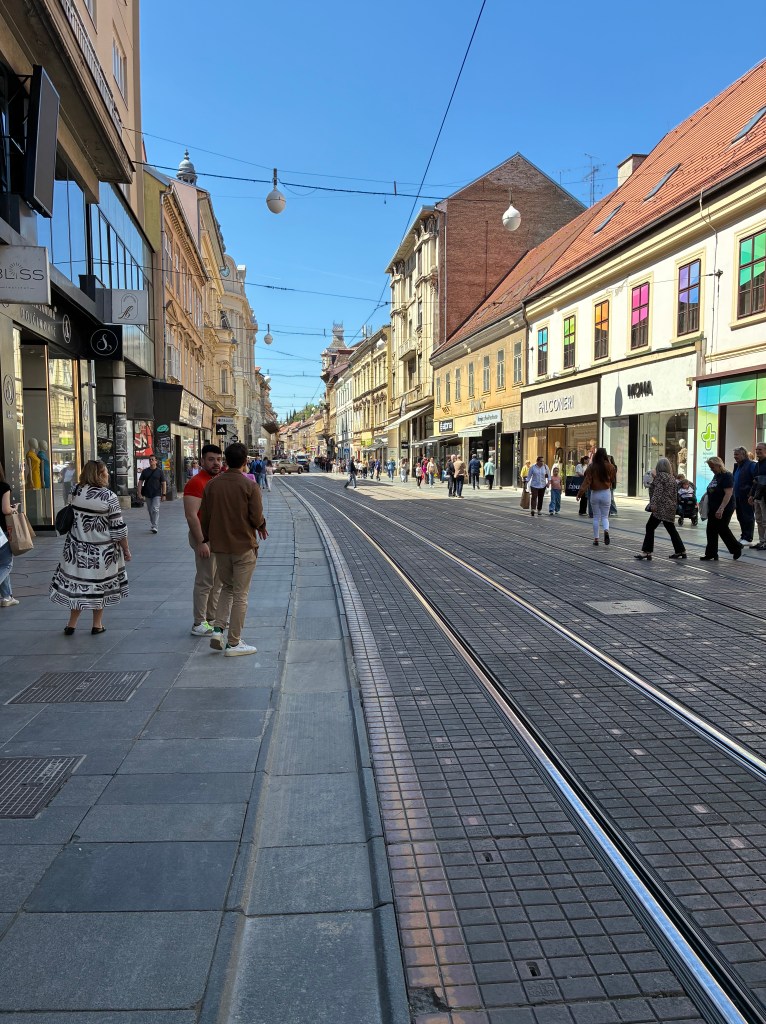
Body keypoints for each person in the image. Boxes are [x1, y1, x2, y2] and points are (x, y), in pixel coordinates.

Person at [200, 442, 268, 656]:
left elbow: (205, 516)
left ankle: (218, 630)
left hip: (220, 548)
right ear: (245, 461)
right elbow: (256, 517)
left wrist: (208, 538)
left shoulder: (212, 485)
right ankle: (234, 642)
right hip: (243, 546)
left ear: (226, 461)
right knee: (240, 595)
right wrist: (261, 526)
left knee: (226, 588)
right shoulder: (250, 486)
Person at [50, 460, 131, 633]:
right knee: (99, 587)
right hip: (101, 552)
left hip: (76, 549)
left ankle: (71, 624)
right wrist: (126, 549)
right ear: (99, 475)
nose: (107, 474)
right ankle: (97, 625)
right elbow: (118, 529)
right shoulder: (109, 497)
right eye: (105, 471)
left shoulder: (76, 490)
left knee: (78, 587)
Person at [183, 443, 224, 636]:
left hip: (218, 538)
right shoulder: (196, 482)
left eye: (219, 459)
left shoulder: (217, 480)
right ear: (202, 461)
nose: (216, 463)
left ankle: (211, 618)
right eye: (211, 459)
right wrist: (201, 542)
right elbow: (191, 515)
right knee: (205, 581)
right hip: (204, 537)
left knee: (217, 582)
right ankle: (199, 622)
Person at [634, 458, 687, 561]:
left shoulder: (660, 477)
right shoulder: (672, 478)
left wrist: (653, 504)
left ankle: (647, 552)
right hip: (670, 507)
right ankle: (681, 550)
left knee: (650, 526)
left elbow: (658, 491)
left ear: (658, 467)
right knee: (671, 529)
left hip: (661, 508)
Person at [700, 456, 741, 561]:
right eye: (710, 467)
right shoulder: (716, 476)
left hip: (725, 507)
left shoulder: (727, 476)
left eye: (712, 467)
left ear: (719, 465)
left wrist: (721, 508)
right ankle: (711, 553)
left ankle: (736, 547)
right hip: (713, 507)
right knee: (711, 530)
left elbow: (728, 493)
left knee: (722, 528)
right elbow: (712, 489)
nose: (711, 469)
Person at [577, 448, 615, 545]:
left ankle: (596, 539)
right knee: (605, 517)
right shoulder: (610, 466)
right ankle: (606, 530)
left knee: (596, 517)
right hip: (606, 493)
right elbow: (612, 479)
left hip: (595, 493)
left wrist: (580, 493)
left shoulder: (592, 466)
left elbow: (586, 480)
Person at [0, 462, 19, 608]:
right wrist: (14, 509)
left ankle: (7, 597)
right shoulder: (3, 487)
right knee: (6, 564)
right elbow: (5, 510)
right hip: (1, 531)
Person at [732, 446, 757, 545]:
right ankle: (744, 535)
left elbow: (755, 480)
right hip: (737, 496)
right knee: (740, 517)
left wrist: (751, 493)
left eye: (737, 454)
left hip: (746, 496)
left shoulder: (751, 465)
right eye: (734, 454)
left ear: (744, 454)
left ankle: (748, 537)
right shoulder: (737, 466)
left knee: (748, 516)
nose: (735, 456)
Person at [137, 455, 166, 533]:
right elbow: (140, 482)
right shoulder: (145, 471)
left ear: (156, 461)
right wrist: (139, 493)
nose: (151, 461)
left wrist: (164, 494)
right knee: (150, 510)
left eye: (153, 459)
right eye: (150, 459)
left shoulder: (160, 472)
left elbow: (163, 483)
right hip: (147, 493)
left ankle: (155, 526)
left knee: (155, 509)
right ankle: (153, 524)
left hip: (157, 493)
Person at [748, 441, 766, 550]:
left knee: (765, 520)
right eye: (757, 449)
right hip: (758, 496)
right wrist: (751, 495)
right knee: (759, 519)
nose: (758, 451)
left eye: (760, 449)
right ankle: (762, 541)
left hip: (765, 496)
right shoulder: (757, 464)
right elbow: (754, 481)